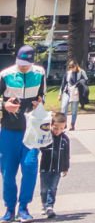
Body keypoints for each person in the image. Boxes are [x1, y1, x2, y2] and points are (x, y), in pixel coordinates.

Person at [0, 43, 46, 222]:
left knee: (29, 168)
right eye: (21, 64)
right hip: (9, 132)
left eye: (26, 65)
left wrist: (39, 104)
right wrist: (4, 106)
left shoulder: (40, 73)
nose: (24, 67)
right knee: (8, 172)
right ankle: (9, 208)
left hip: (31, 132)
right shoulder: (5, 75)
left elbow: (42, 95)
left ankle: (24, 207)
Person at [38, 112, 70, 219]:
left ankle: (50, 206)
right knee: (44, 189)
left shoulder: (65, 139)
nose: (58, 131)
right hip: (45, 168)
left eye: (61, 128)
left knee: (53, 188)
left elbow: (66, 155)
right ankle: (44, 204)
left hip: (57, 169)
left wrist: (65, 168)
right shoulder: (46, 136)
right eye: (56, 128)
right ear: (51, 125)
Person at [59, 61, 87, 132]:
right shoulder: (68, 73)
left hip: (75, 93)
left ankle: (72, 124)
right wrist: (60, 94)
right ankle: (64, 123)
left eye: (73, 67)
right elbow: (63, 83)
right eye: (70, 67)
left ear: (76, 66)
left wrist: (81, 82)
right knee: (64, 107)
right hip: (67, 92)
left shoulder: (81, 72)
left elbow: (86, 81)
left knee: (74, 109)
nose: (72, 69)